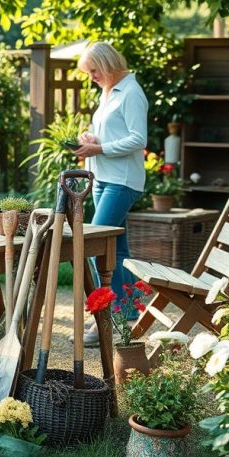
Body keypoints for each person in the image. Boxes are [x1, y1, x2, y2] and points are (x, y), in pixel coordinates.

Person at [71, 41, 148, 346]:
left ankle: (104, 320)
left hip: (122, 181)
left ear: (106, 65)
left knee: (93, 248)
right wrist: (91, 139)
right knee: (119, 250)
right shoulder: (108, 92)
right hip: (103, 178)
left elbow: (138, 139)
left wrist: (99, 147)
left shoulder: (131, 92)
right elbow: (113, 134)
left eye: (93, 71)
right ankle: (127, 314)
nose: (91, 77)